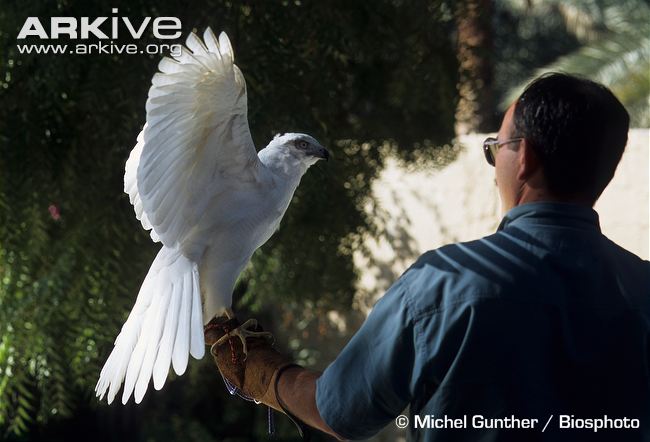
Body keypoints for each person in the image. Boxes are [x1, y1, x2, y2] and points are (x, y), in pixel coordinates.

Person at [205, 73, 650, 441]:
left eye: (494, 148)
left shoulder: (445, 284)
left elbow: (339, 409)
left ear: (525, 158)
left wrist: (264, 374)